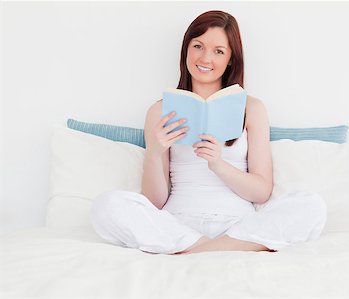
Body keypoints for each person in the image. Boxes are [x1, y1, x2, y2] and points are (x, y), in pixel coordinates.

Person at [90, 10, 327, 255]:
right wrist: (154, 152)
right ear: (186, 50)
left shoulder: (252, 109)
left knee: (312, 206)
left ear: (231, 59)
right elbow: (154, 201)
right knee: (106, 206)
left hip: (238, 226)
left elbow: (261, 193)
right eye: (198, 46)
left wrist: (218, 164)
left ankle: (203, 250)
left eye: (218, 51)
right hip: (179, 224)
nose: (205, 58)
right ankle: (215, 249)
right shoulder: (159, 111)